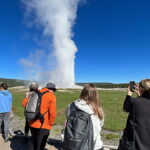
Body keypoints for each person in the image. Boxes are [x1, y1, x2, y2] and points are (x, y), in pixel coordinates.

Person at [66, 84, 104, 150]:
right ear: (95, 95)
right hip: (94, 145)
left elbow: (67, 117)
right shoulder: (98, 109)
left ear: (83, 92)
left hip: (74, 144)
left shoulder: (71, 106)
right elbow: (100, 125)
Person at [22, 82, 57, 150]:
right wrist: (51, 123)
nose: (54, 92)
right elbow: (52, 113)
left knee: (34, 140)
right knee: (40, 144)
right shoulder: (51, 96)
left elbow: (24, 103)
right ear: (52, 89)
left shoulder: (35, 93)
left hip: (32, 122)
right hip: (44, 124)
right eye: (54, 90)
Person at [118, 79, 150, 150]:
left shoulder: (135, 102)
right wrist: (140, 95)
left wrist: (129, 93)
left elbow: (125, 108)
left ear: (141, 88)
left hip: (132, 141)